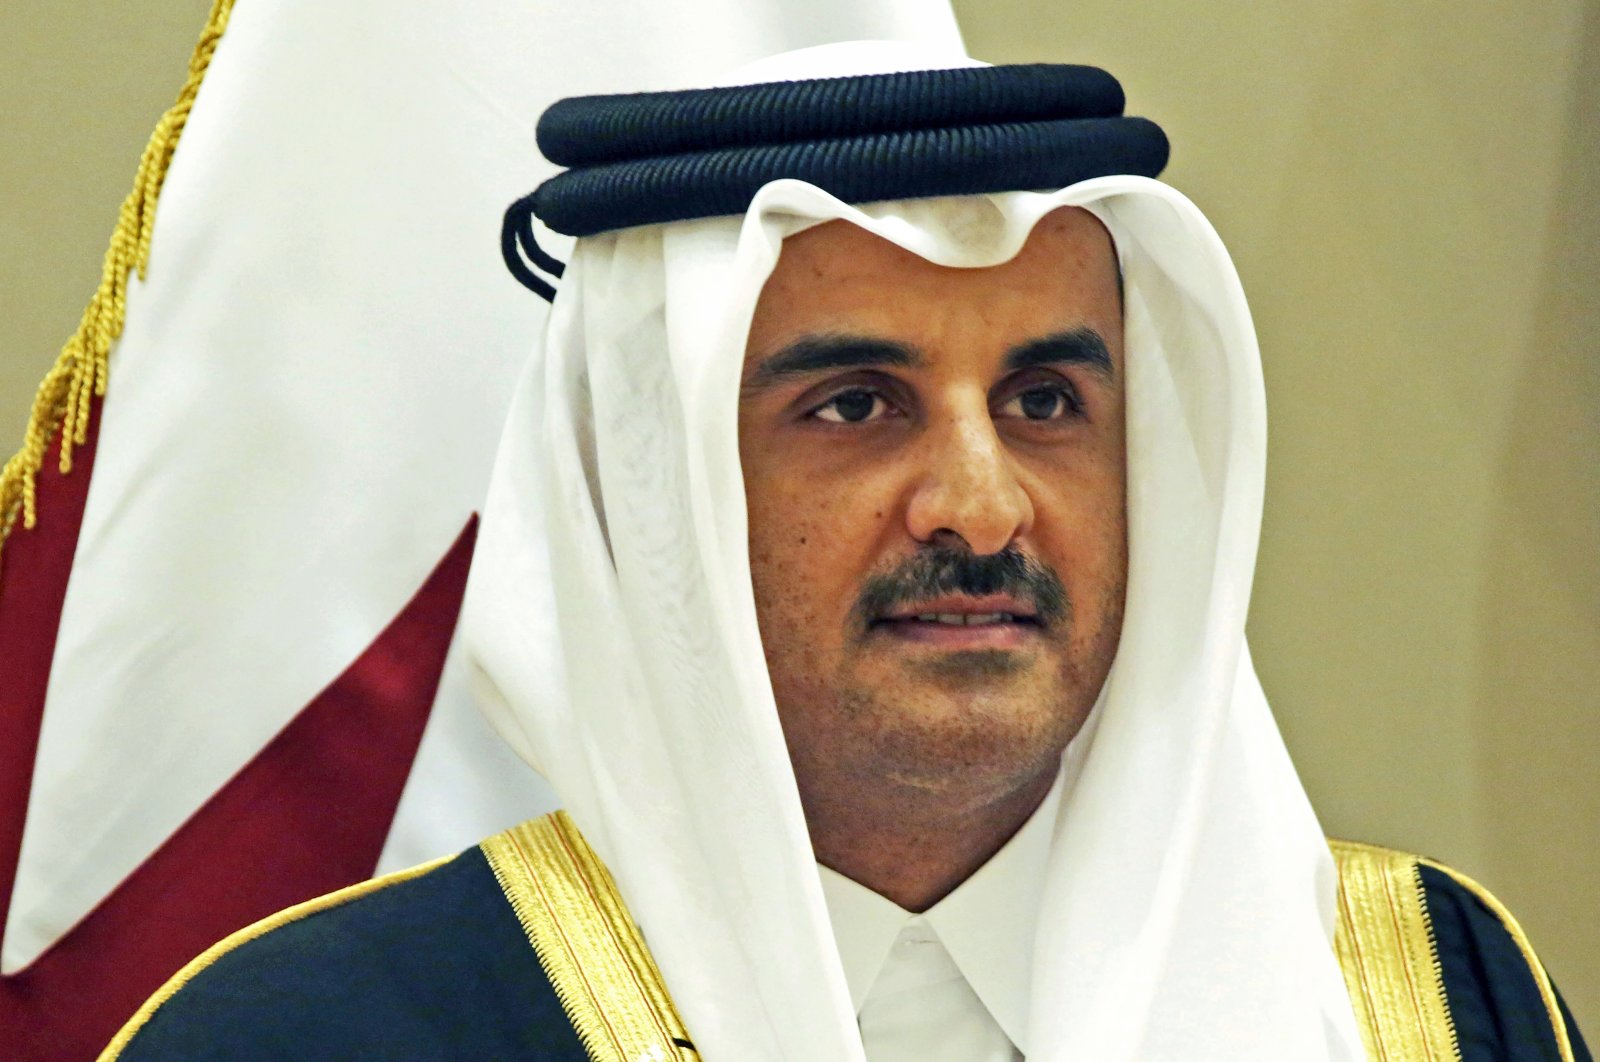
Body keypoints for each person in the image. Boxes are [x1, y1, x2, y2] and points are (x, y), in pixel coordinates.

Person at [99, 43, 1588, 1062]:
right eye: (858, 404)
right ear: (655, 485)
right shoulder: (310, 1038)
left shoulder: (1430, 1004)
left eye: (1046, 400)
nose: (983, 507)